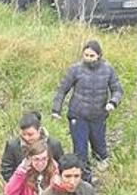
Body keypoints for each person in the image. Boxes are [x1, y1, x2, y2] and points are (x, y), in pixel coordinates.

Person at [51, 40, 123, 176]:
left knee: (99, 147)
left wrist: (113, 102)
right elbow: (62, 90)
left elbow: (117, 89)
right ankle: (84, 178)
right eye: (86, 55)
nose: (88, 59)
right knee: (80, 150)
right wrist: (56, 110)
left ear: (99, 55)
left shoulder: (108, 69)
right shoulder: (75, 69)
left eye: (92, 56)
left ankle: (102, 171)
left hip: (99, 115)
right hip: (78, 115)